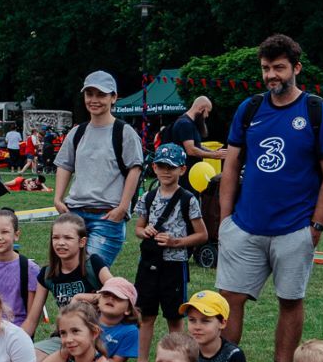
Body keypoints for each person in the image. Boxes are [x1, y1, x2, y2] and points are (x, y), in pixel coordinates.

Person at [217, 34, 323, 362]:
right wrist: (226, 220)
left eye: (279, 68)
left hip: (294, 228)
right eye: (266, 68)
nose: (271, 75)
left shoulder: (318, 111)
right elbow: (231, 164)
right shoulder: (251, 108)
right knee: (230, 300)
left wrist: (317, 225)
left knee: (289, 300)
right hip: (245, 226)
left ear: (296, 68)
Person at [52, 70, 145, 266]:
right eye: (90, 94)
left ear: (114, 98)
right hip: (75, 214)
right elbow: (64, 164)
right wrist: (58, 199)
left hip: (107, 216)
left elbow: (134, 170)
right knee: (69, 273)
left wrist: (122, 208)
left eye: (101, 95)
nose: (94, 100)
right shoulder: (78, 132)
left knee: (90, 273)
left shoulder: (125, 132)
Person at [131, 143, 206, 362]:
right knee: (146, 316)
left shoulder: (188, 199)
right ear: (154, 167)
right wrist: (146, 232)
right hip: (149, 263)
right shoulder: (148, 196)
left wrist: (176, 242)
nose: (166, 172)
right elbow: (138, 228)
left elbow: (202, 234)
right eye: (161, 166)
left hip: (174, 265)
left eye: (171, 168)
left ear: (182, 170)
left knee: (175, 316)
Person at [24, 212, 110, 341]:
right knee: (34, 359)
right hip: (65, 337)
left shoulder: (93, 264)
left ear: (82, 242)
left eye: (68, 238)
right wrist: (14, 343)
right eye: (56, 238)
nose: (60, 243)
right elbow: (32, 320)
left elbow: (119, 293)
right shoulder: (47, 274)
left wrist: (81, 297)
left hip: (98, 335)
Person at [168, 96, 223, 162]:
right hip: (186, 169)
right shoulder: (185, 123)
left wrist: (213, 152)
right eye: (207, 112)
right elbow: (191, 150)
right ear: (201, 108)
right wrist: (214, 155)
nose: (207, 116)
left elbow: (197, 146)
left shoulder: (189, 122)